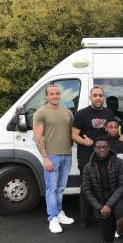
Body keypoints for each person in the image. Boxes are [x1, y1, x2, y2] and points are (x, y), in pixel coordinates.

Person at [32, 85, 75, 233]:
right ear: (46, 96)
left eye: (57, 93)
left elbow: (71, 134)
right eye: (52, 94)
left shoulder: (67, 112)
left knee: (61, 188)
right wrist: (45, 158)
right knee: (51, 188)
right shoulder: (41, 112)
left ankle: (59, 212)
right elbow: (37, 138)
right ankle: (52, 219)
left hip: (66, 156)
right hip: (52, 156)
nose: (55, 96)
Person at [72, 87, 115, 227]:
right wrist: (84, 141)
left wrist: (120, 136)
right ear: (90, 97)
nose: (98, 98)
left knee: (104, 185)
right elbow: (74, 134)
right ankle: (84, 218)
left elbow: (112, 131)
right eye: (95, 95)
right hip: (86, 156)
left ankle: (103, 215)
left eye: (100, 95)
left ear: (103, 97)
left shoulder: (109, 113)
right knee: (86, 187)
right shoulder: (81, 114)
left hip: (105, 156)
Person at [81, 136, 123, 243]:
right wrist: (100, 207)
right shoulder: (88, 167)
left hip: (118, 199)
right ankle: (113, 222)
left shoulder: (119, 163)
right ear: (94, 149)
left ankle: (119, 235)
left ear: (109, 148)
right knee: (107, 238)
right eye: (99, 147)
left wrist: (109, 205)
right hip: (101, 203)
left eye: (104, 147)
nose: (102, 149)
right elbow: (87, 191)